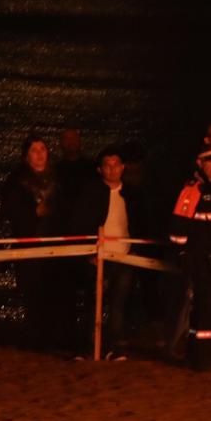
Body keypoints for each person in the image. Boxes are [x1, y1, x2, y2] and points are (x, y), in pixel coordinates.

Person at [170, 146, 211, 370]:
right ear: (199, 163)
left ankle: (196, 354)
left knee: (204, 310)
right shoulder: (193, 190)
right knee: (204, 310)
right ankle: (203, 359)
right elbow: (178, 224)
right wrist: (183, 254)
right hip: (200, 260)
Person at [1, 136, 63, 348]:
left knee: (54, 291)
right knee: (33, 292)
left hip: (55, 242)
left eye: (42, 148)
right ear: (26, 156)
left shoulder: (59, 179)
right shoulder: (16, 181)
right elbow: (9, 209)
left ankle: (55, 336)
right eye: (34, 150)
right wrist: (33, 212)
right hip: (29, 241)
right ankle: (35, 337)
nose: (39, 153)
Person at [85, 147, 142, 360]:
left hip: (124, 256)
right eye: (107, 166)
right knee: (94, 304)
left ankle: (113, 347)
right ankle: (90, 347)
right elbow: (82, 222)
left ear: (123, 167)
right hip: (98, 256)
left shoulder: (132, 194)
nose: (112, 169)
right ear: (100, 169)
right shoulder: (91, 193)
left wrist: (135, 250)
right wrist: (89, 252)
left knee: (118, 304)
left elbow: (140, 223)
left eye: (116, 165)